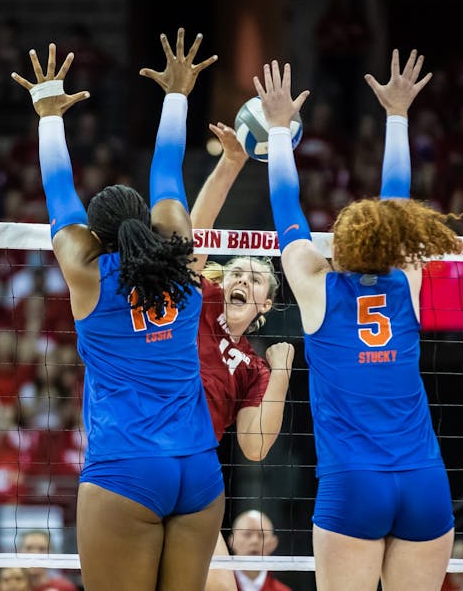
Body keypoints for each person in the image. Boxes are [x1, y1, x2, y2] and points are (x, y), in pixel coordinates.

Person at [10, 29, 224, 590]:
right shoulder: (180, 257)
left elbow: (59, 193)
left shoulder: (87, 273)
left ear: (95, 238)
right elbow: (168, 174)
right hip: (199, 467)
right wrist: (177, 94)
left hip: (127, 466)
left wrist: (48, 113)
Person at [258, 49, 462, 590]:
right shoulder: (406, 279)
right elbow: (397, 202)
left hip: (354, 484)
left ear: (341, 246)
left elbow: (287, 206)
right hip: (423, 480)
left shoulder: (315, 286)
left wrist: (279, 130)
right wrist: (398, 114)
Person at [188, 119, 294, 591]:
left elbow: (254, 447)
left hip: (197, 468)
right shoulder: (201, 300)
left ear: (265, 305)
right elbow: (194, 235)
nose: (240, 281)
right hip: (148, 448)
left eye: (254, 280)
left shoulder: (254, 368)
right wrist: (231, 164)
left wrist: (283, 371)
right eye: (236, 272)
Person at [227, 510, 291, 591]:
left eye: (262, 535)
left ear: (273, 543)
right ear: (232, 541)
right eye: (247, 534)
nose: (254, 541)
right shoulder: (214, 586)